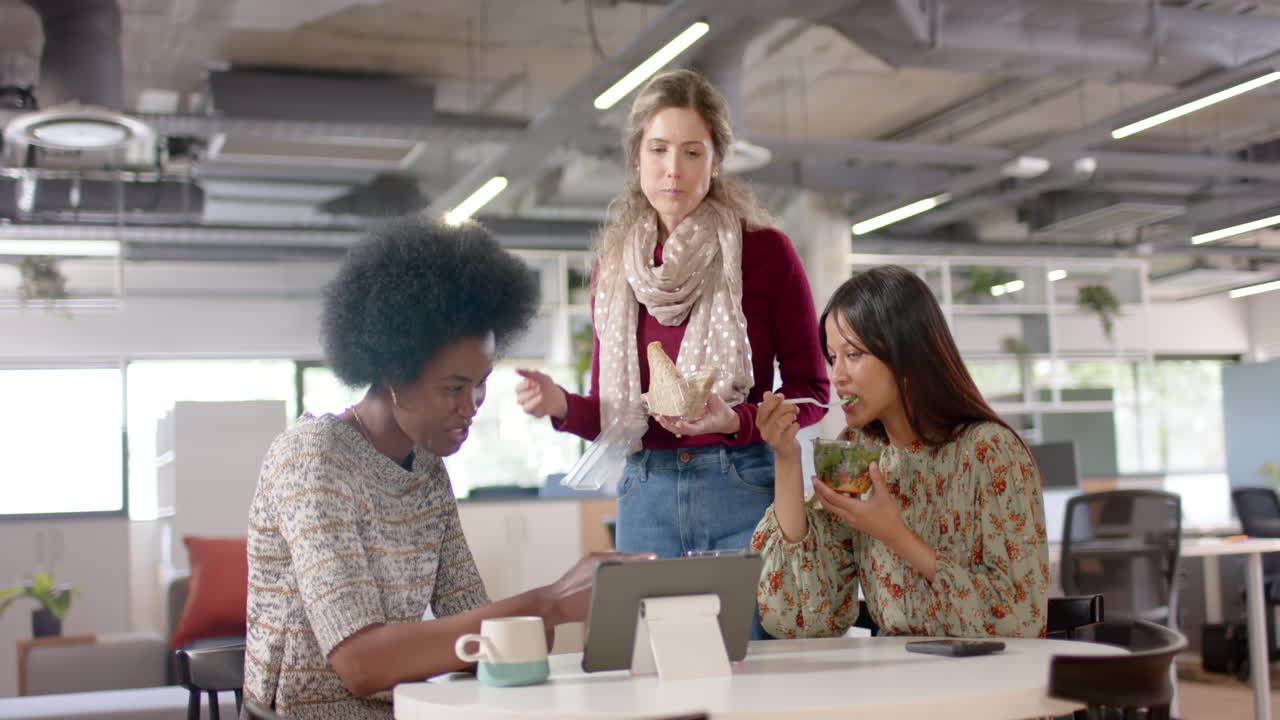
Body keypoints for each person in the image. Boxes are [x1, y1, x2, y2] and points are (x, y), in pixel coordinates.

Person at [243, 219, 642, 719]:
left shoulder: (427, 470)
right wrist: (551, 603)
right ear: (393, 372)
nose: (472, 405)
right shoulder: (314, 460)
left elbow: (469, 616)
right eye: (453, 387)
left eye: (480, 384)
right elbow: (360, 662)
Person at [515, 68, 829, 564]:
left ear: (716, 161)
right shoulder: (615, 266)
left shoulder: (766, 253)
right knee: (650, 642)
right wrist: (557, 403)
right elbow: (611, 414)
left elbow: (813, 392)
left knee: (751, 645)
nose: (673, 170)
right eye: (658, 149)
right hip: (647, 491)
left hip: (743, 483)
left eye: (692, 152)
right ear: (637, 157)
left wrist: (737, 420)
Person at [752, 265, 1049, 639]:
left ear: (905, 353)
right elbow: (803, 616)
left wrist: (894, 533)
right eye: (832, 358)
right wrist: (786, 458)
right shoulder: (861, 451)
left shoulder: (991, 453)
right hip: (896, 676)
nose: (836, 377)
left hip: (985, 679)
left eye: (853, 354)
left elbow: (1020, 620)